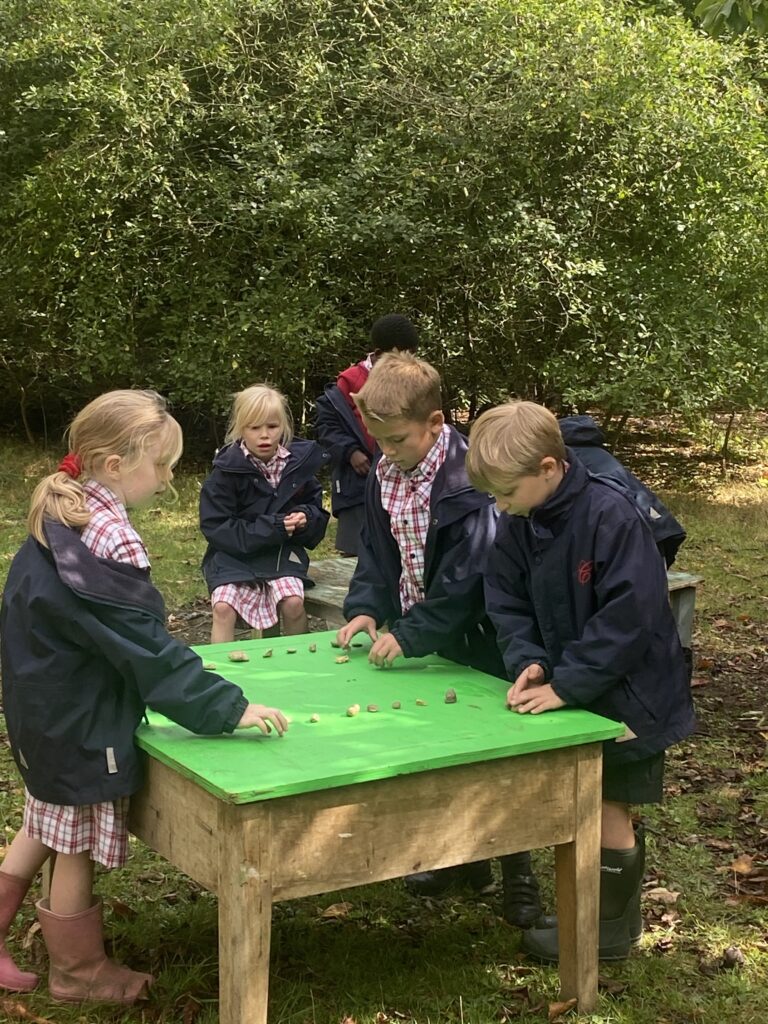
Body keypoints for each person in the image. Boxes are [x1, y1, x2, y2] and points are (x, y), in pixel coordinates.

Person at [0, 390, 288, 1003]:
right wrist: (228, 707)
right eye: (160, 464)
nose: (168, 478)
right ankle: (77, 973)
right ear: (113, 465)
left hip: (43, 704)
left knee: (46, 818)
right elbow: (147, 651)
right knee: (73, 842)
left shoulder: (65, 511)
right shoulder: (107, 539)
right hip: (79, 717)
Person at [466, 401, 696, 961]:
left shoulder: (611, 516)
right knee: (580, 798)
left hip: (630, 692)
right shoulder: (523, 519)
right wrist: (528, 660)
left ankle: (608, 930)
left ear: (547, 468)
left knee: (608, 802)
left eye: (505, 493)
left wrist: (566, 683)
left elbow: (630, 617)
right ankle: (591, 911)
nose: (499, 507)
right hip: (572, 681)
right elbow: (506, 597)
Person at [336, 353, 542, 927]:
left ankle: (518, 871)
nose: (388, 451)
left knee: (494, 755)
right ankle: (461, 861)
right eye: (378, 441)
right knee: (437, 749)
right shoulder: (383, 472)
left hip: (485, 635)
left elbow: (471, 579)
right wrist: (366, 611)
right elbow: (378, 554)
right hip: (422, 631)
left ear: (436, 423)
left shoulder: (471, 478)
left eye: (398, 439)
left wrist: (412, 633)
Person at [200, 384, 329, 643]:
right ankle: (220, 675)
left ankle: (302, 668)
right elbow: (216, 528)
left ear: (283, 426)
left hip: (281, 556)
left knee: (293, 603)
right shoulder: (225, 472)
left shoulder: (298, 465)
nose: (264, 436)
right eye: (254, 428)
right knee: (223, 608)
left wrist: (306, 518)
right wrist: (275, 527)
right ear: (240, 428)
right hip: (232, 556)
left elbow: (317, 513)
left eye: (272, 426)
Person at [314, 314, 419, 556]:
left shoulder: (413, 380)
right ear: (383, 353)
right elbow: (328, 425)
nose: (410, 361)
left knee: (396, 547)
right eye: (404, 354)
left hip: (401, 476)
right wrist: (350, 451)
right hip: (357, 481)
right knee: (355, 550)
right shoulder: (349, 381)